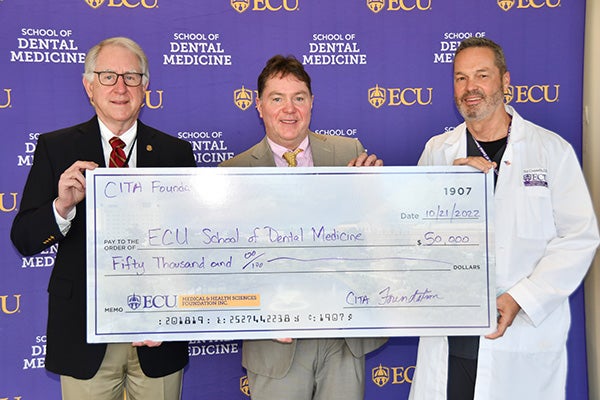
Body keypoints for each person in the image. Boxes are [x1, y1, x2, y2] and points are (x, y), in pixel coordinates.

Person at [409, 37, 599, 400]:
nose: (470, 88)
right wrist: (448, 188)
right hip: (452, 341)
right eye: (460, 78)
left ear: (505, 82)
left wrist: (521, 298)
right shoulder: (438, 152)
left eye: (481, 75)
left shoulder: (550, 151)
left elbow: (578, 239)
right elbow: (415, 236)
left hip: (519, 337)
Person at [10, 37, 195, 400]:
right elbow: (25, 238)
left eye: (131, 76)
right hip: (84, 334)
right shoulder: (56, 147)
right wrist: (61, 207)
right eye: (108, 76)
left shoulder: (176, 152)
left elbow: (192, 245)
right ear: (89, 86)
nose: (121, 87)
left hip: (157, 333)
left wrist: (173, 312)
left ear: (146, 86)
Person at [219, 54, 387, 400]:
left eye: (299, 97)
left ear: (312, 103)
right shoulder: (233, 173)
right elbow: (227, 266)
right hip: (275, 341)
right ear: (259, 105)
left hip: (342, 335)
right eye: (277, 98)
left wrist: (376, 192)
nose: (289, 109)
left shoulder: (349, 153)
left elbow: (378, 234)